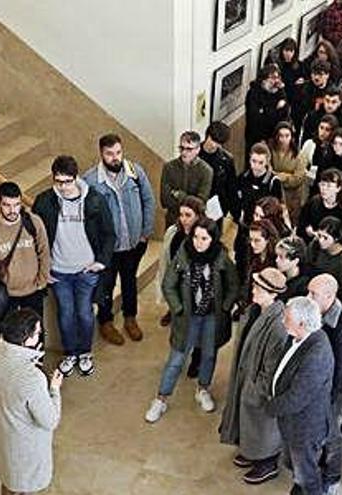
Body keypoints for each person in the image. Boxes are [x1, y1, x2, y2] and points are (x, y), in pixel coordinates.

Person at [146, 218, 238, 422]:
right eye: (196, 237)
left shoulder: (221, 258)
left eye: (204, 238)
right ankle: (161, 398)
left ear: (213, 239)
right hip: (187, 317)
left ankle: (203, 389)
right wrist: (177, 308)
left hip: (212, 317)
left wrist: (224, 307)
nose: (198, 242)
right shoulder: (183, 254)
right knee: (176, 359)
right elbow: (168, 284)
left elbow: (233, 285)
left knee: (208, 355)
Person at [33, 156, 115, 377]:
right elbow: (36, 239)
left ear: (76, 177)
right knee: (66, 314)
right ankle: (70, 353)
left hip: (86, 270)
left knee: (85, 314)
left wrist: (101, 261)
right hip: (59, 271)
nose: (63, 187)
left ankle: (85, 353)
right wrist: (43, 269)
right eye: (58, 181)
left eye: (67, 181)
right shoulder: (44, 201)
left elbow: (109, 234)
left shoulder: (95, 200)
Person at [0, 309, 62, 495]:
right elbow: (50, 420)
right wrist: (54, 389)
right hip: (26, 446)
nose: (40, 337)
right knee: (27, 486)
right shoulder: (31, 377)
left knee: (8, 481)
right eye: (38, 333)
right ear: (27, 339)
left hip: (0, 435)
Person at [83, 133, 155, 345]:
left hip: (134, 242)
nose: (115, 158)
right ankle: (106, 322)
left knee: (130, 281)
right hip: (108, 249)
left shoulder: (135, 172)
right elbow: (87, 218)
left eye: (118, 152)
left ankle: (130, 318)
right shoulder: (91, 181)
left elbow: (148, 201)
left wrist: (145, 233)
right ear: (101, 154)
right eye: (110, 154)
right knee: (106, 285)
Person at [219, 268, 287, 485]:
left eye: (258, 288)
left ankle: (267, 462)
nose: (253, 290)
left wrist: (255, 389)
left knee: (261, 425)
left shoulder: (278, 325)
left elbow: (271, 369)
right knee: (249, 422)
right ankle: (252, 451)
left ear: (271, 293)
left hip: (257, 386)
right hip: (245, 375)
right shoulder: (256, 310)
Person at [266, 296, 335, 495]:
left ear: (302, 323)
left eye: (287, 319)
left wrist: (269, 407)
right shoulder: (298, 336)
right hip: (292, 422)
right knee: (299, 469)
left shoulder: (317, 353)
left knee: (307, 476)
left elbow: (296, 398)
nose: (282, 322)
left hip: (304, 427)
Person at [0, 181, 49, 328]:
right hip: (5, 294)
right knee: (7, 337)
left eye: (16, 204)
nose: (12, 210)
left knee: (35, 333)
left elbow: (44, 251)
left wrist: (42, 281)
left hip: (33, 290)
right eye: (7, 205)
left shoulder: (33, 222)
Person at [307, 274, 342, 492]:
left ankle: (330, 477)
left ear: (329, 296)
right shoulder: (316, 315)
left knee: (329, 435)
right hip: (316, 389)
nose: (308, 297)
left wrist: (328, 399)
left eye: (313, 294)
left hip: (329, 394)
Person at [234, 143, 283, 277]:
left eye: (260, 162)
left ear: (267, 162)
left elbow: (277, 208)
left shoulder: (274, 182)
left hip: (264, 229)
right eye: (253, 161)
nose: (256, 166)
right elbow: (237, 200)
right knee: (241, 258)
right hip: (245, 226)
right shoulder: (243, 178)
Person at [157, 195, 206, 328]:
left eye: (188, 215)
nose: (183, 219)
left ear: (198, 216)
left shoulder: (204, 235)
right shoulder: (173, 232)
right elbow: (166, 256)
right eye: (181, 214)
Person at [160, 130, 213, 227]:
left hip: (194, 222)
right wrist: (190, 199)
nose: (184, 152)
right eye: (181, 148)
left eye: (189, 149)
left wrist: (179, 195)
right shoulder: (169, 167)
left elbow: (200, 203)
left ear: (198, 150)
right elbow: (164, 200)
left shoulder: (206, 170)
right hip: (173, 220)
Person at [198, 121, 240, 224]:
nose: (213, 145)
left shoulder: (226, 159)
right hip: (197, 206)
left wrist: (236, 214)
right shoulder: (194, 153)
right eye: (212, 140)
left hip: (217, 208)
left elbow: (231, 187)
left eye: (218, 143)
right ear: (207, 135)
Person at [297, 168, 342, 244]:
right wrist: (307, 230)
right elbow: (301, 223)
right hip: (311, 244)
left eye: (329, 186)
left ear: (338, 188)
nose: (324, 189)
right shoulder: (313, 202)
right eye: (322, 185)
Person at [307, 217, 342, 305]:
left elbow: (341, 289)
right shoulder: (315, 246)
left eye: (325, 238)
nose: (321, 240)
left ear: (336, 239)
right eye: (319, 236)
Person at [270, 122, 309, 225]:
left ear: (291, 137)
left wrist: (281, 177)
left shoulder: (299, 155)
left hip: (292, 197)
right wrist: (287, 175)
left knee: (291, 222)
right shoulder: (271, 151)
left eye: (287, 136)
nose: (283, 139)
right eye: (281, 136)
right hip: (275, 193)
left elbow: (298, 179)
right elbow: (268, 172)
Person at [246, 63, 290, 153]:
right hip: (257, 137)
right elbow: (256, 119)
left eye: (278, 77)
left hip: (275, 137)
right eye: (273, 78)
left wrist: (267, 112)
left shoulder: (279, 90)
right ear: (263, 80)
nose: (276, 81)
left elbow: (285, 113)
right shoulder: (254, 93)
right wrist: (275, 109)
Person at [275, 236, 310, 300]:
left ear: (295, 261)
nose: (276, 260)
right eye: (277, 256)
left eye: (281, 257)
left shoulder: (303, 287)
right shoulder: (278, 275)